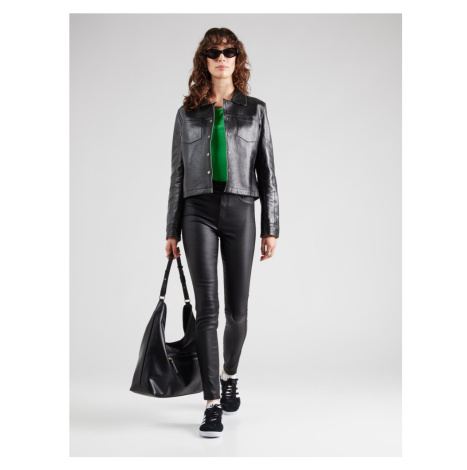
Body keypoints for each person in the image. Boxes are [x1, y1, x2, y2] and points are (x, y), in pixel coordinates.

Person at [165, 27, 280, 438]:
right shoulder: (187, 113)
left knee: (238, 312)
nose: (221, 57)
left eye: (229, 51)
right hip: (197, 211)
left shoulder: (255, 110)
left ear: (237, 59)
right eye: (214, 52)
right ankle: (212, 403)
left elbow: (267, 173)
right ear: (205, 60)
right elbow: (177, 175)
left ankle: (230, 374)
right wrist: (171, 229)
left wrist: (270, 226)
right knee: (207, 310)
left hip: (240, 209)